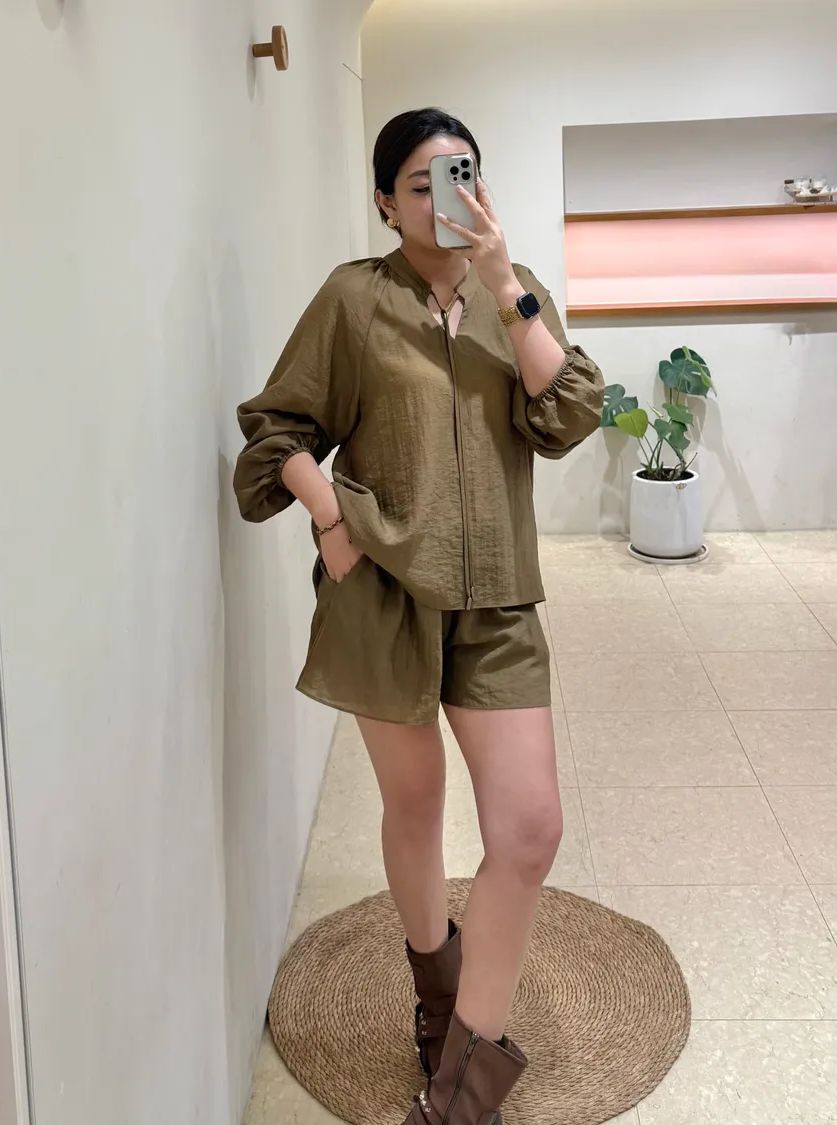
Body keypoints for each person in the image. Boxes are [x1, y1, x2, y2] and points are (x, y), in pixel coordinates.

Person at [234, 107, 603, 1124]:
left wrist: (505, 283)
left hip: (499, 605)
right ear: (386, 203)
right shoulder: (353, 299)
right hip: (385, 596)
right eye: (426, 183)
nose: (451, 197)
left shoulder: (512, 293)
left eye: (466, 174)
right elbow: (274, 432)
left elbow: (570, 414)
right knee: (416, 805)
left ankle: (460, 1091)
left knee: (529, 830)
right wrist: (328, 519)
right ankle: (438, 998)